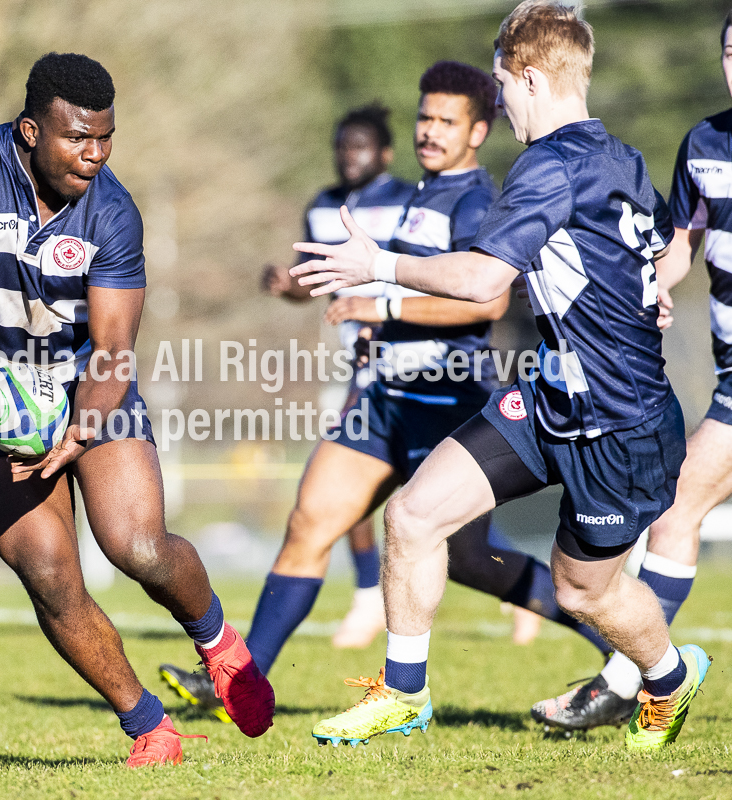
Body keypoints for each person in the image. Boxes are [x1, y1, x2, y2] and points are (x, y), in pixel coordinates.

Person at [296, 0, 707, 752]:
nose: (498, 101)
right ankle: (403, 693)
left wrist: (379, 268)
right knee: (412, 517)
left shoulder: (549, 165)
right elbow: (638, 256)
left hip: (619, 424)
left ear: (528, 78)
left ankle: (669, 679)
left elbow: (485, 280)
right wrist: (646, 297)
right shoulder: (619, 155)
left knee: (586, 591)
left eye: (498, 85)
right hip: (549, 397)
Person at [157, 59, 611, 723]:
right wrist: (320, 292)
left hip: (447, 401)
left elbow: (479, 306)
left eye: (444, 121)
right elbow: (382, 287)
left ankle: (627, 657)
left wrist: (379, 312)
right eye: (424, 117)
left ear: (478, 131)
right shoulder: (417, 196)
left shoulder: (478, 203)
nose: (428, 130)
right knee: (307, 524)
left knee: (473, 561)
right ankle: (237, 683)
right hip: (381, 398)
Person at [0, 52, 275, 767]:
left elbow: (115, 347)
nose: (93, 155)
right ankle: (148, 726)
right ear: (30, 130)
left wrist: (82, 427)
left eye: (105, 138)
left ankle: (216, 641)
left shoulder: (113, 212)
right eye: (76, 139)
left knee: (138, 548)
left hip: (90, 388)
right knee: (50, 572)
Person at [529, 7, 732, 733]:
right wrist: (650, 289)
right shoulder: (704, 143)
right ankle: (638, 680)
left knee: (677, 511)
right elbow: (678, 242)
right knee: (675, 513)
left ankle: (630, 681)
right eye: (730, 50)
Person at [263, 103, 416, 651]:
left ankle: (522, 589)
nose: (349, 156)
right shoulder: (323, 208)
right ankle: (366, 593)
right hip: (363, 373)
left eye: (361, 146)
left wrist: (390, 316)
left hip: (424, 367)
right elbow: (317, 281)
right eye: (341, 146)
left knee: (442, 506)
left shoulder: (411, 200)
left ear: (386, 153)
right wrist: (288, 285)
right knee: (339, 494)